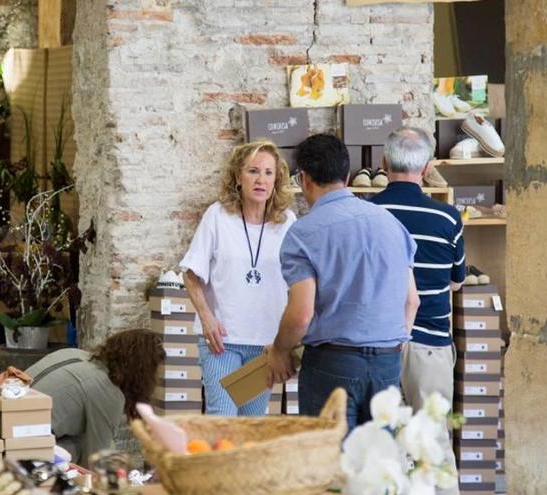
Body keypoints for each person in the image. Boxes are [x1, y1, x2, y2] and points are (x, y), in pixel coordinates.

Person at [265, 133, 419, 430]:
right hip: (387, 363)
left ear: (304, 179)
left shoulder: (303, 234)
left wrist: (280, 351)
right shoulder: (391, 224)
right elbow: (412, 301)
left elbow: (301, 314)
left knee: (332, 465)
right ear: (347, 176)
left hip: (332, 367)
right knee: (376, 466)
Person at [370, 127, 465, 495]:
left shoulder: (369, 213)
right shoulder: (447, 218)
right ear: (427, 168)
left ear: (383, 163)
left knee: (386, 445)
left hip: (380, 347)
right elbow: (457, 282)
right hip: (431, 348)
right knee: (434, 446)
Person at [180, 140, 297, 416]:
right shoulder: (218, 217)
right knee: (223, 417)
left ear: (277, 180)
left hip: (265, 344)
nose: (261, 180)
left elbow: (300, 281)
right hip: (223, 341)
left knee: (251, 425)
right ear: (238, 176)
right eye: (253, 171)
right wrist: (207, 318)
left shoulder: (288, 222)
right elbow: (191, 272)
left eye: (268, 173)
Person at [26, 329, 165, 466]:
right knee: (87, 445)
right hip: (23, 446)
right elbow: (98, 457)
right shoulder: (108, 391)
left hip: (9, 423)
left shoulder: (74, 353)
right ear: (141, 370)